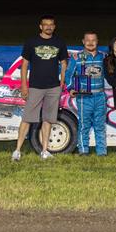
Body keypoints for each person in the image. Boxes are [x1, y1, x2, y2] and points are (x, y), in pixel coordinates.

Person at [11, 14, 68, 161]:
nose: (48, 27)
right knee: (27, 119)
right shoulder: (31, 42)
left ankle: (44, 151)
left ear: (54, 27)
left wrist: (62, 80)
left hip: (53, 87)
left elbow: (64, 62)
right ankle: (17, 150)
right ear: (40, 26)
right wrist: (24, 85)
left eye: (51, 24)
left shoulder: (59, 42)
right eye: (45, 24)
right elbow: (24, 65)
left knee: (48, 119)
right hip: (35, 87)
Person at [65, 31, 107, 156]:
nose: (90, 42)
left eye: (93, 40)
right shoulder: (77, 58)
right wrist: (71, 88)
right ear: (83, 42)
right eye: (87, 40)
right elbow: (68, 75)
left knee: (100, 125)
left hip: (100, 95)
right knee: (84, 125)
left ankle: (102, 152)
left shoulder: (103, 57)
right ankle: (83, 150)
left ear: (97, 41)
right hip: (84, 96)